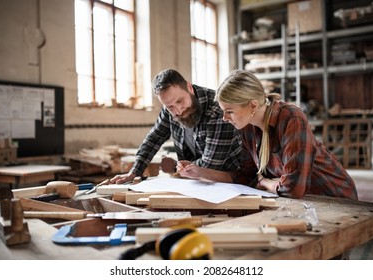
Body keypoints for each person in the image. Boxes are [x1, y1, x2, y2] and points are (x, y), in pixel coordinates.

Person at [178, 69, 358, 200]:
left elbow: (292, 188)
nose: (224, 118)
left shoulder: (291, 118)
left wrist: (265, 183)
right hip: (304, 200)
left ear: (253, 106)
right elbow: (246, 176)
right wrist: (200, 172)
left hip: (334, 197)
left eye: (230, 111)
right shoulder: (247, 128)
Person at [110, 68, 242, 184]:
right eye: (170, 106)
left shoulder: (217, 109)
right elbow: (154, 139)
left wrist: (175, 167)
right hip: (195, 181)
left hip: (230, 181)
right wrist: (134, 172)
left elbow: (210, 166)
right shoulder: (170, 109)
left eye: (180, 101)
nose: (178, 110)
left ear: (189, 88)